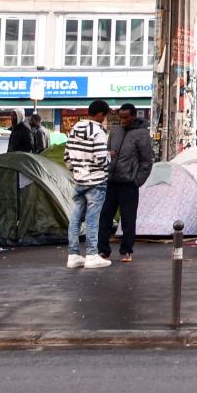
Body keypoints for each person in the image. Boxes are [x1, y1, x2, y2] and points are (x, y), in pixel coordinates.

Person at [97, 104, 154, 263]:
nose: (122, 120)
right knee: (105, 216)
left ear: (134, 116)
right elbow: (107, 154)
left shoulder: (142, 134)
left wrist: (137, 181)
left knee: (128, 218)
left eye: (125, 117)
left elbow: (147, 161)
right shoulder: (115, 132)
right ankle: (102, 250)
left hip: (129, 183)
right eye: (120, 117)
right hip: (111, 182)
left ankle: (126, 250)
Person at [65, 100, 113, 269]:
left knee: (75, 218)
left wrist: (78, 169)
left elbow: (67, 157)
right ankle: (92, 254)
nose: (105, 119)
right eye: (105, 115)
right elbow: (101, 158)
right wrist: (108, 156)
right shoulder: (98, 132)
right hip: (96, 181)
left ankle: (73, 255)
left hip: (79, 179)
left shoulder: (75, 128)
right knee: (93, 219)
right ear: (100, 114)